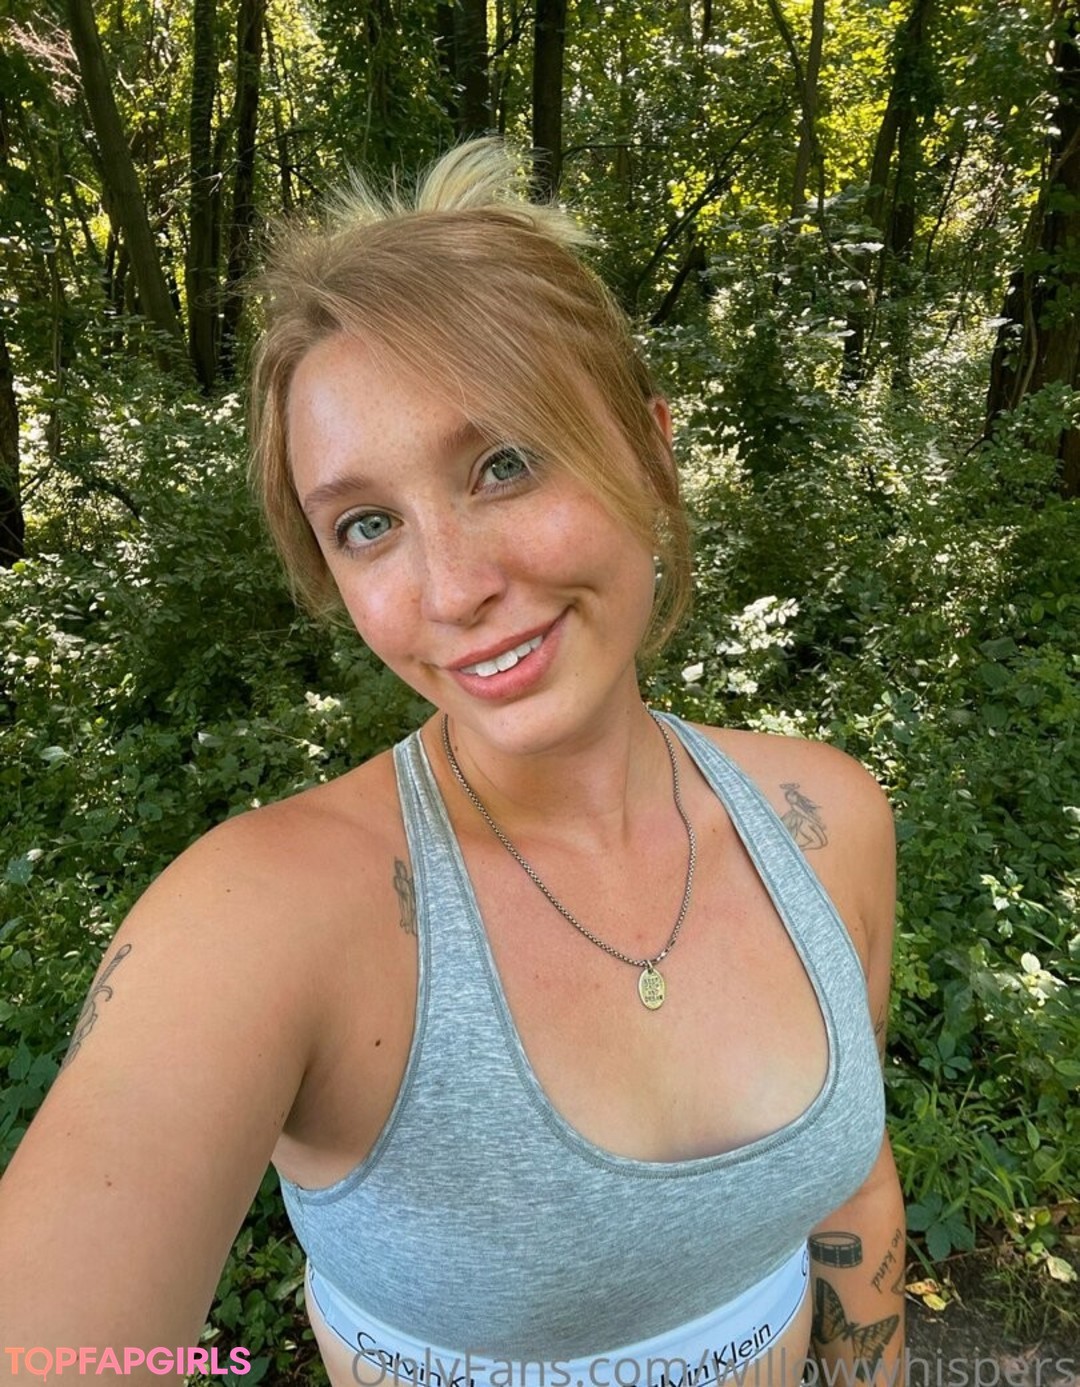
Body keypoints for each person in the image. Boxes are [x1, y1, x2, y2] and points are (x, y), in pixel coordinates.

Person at [0, 140, 905, 1387]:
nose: (452, 588)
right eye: (368, 525)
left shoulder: (825, 820)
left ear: (651, 452)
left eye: (504, 462)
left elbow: (853, 1187)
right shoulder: (266, 917)